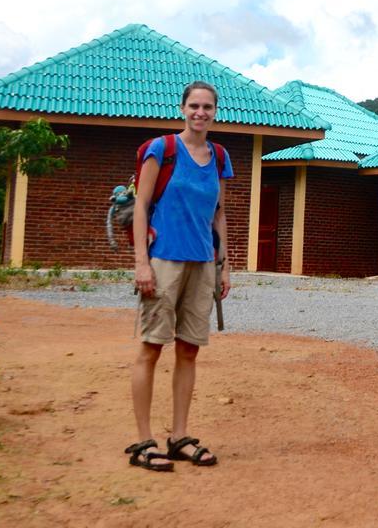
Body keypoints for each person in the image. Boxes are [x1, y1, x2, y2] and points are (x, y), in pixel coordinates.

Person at [125, 80, 233, 471]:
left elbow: (219, 212)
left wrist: (224, 263)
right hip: (164, 260)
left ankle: (179, 437)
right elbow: (141, 207)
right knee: (151, 348)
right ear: (182, 108)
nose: (200, 113)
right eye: (194, 106)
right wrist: (142, 262)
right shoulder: (162, 150)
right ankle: (142, 441)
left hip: (202, 263)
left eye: (207, 107)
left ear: (215, 112)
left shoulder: (220, 157)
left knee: (189, 349)